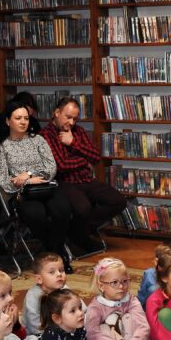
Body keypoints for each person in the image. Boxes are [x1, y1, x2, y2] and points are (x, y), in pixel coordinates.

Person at [0, 100, 73, 270]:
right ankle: (57, 252)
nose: (23, 122)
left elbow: (51, 168)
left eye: (26, 118)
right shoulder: (1, 148)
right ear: (8, 121)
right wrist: (29, 181)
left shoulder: (38, 140)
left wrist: (26, 175)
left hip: (46, 187)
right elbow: (6, 183)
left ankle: (53, 251)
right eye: (18, 118)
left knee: (63, 209)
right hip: (22, 194)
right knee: (36, 214)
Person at [40, 97, 125, 255]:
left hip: (86, 180)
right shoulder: (45, 135)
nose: (71, 122)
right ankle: (81, 236)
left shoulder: (78, 132)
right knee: (83, 208)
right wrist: (84, 161)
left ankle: (77, 232)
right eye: (68, 117)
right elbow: (62, 166)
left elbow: (95, 157)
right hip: (65, 183)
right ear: (57, 113)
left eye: (75, 118)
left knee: (118, 201)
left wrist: (73, 143)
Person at [21, 252, 85, 340]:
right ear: (39, 279)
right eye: (52, 272)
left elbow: (83, 309)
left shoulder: (65, 289)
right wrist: (56, 334)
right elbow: (35, 326)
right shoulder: (33, 295)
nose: (59, 274)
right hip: (39, 334)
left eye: (61, 270)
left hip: (64, 330)